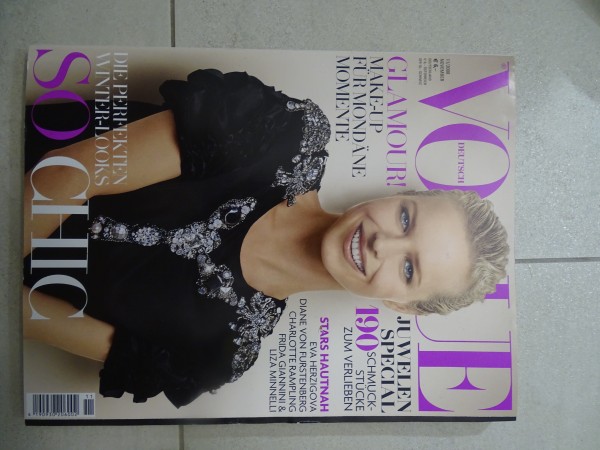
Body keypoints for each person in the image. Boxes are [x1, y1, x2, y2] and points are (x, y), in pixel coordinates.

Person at [23, 69, 509, 407]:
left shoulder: (219, 354)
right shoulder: (283, 135)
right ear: (399, 195)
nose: (383, 244)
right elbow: (69, 172)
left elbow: (28, 316)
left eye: (408, 269)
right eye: (405, 218)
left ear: (401, 305)